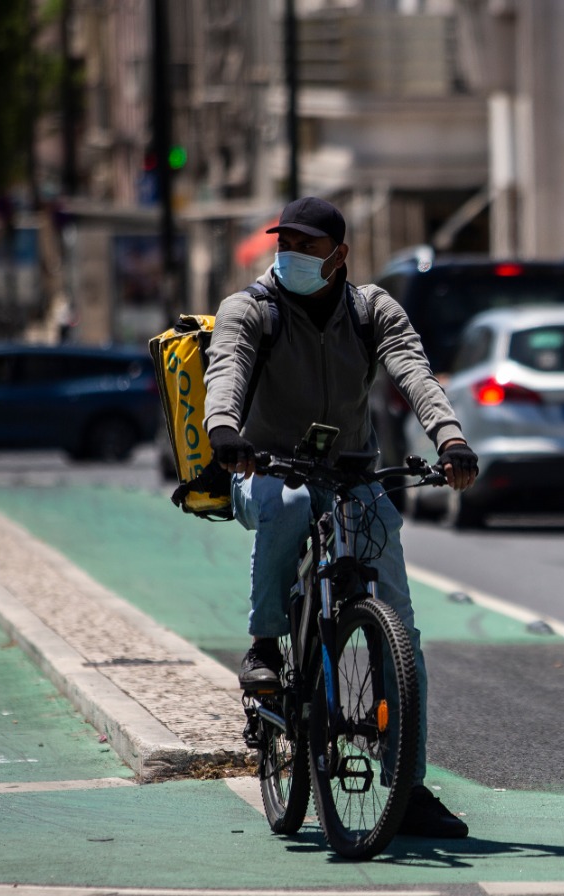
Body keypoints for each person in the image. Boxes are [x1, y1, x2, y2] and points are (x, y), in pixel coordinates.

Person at [204, 196, 479, 838]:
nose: (292, 255)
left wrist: (451, 440)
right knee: (293, 504)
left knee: (400, 631)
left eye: (307, 245)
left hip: (353, 476)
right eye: (286, 243)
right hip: (265, 471)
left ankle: (406, 788)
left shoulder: (372, 309)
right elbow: (228, 368)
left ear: (339, 256)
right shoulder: (251, 309)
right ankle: (266, 646)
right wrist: (224, 430)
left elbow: (413, 370)